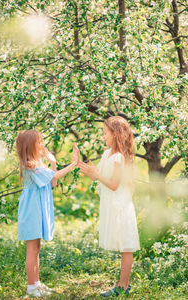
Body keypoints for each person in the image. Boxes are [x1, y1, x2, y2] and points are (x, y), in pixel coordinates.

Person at [78, 116, 140, 297]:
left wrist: (96, 175)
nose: (103, 137)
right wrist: (80, 163)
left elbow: (113, 184)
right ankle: (123, 285)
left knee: (125, 245)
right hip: (111, 203)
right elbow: (96, 174)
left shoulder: (119, 158)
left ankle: (123, 286)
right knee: (122, 244)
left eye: (105, 133)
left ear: (116, 134)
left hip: (120, 204)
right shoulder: (107, 154)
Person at [16, 130, 79, 297]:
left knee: (36, 247)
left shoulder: (38, 163)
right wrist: (73, 164)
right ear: (30, 146)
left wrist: (52, 162)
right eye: (38, 142)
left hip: (37, 208)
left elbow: (53, 183)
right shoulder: (30, 164)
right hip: (31, 210)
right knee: (32, 249)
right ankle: (31, 287)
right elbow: (56, 177)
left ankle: (36, 284)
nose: (42, 145)